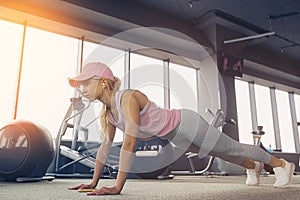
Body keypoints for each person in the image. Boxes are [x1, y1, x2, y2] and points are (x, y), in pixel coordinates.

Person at [68, 62, 295, 195]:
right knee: (218, 152)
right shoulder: (108, 114)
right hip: (175, 136)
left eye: (86, 83)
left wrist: (118, 186)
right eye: (80, 86)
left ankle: (281, 164)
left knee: (232, 147)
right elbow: (105, 148)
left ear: (104, 82)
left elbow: (130, 143)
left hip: (186, 124)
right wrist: (93, 181)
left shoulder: (126, 98)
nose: (82, 89)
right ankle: (252, 166)